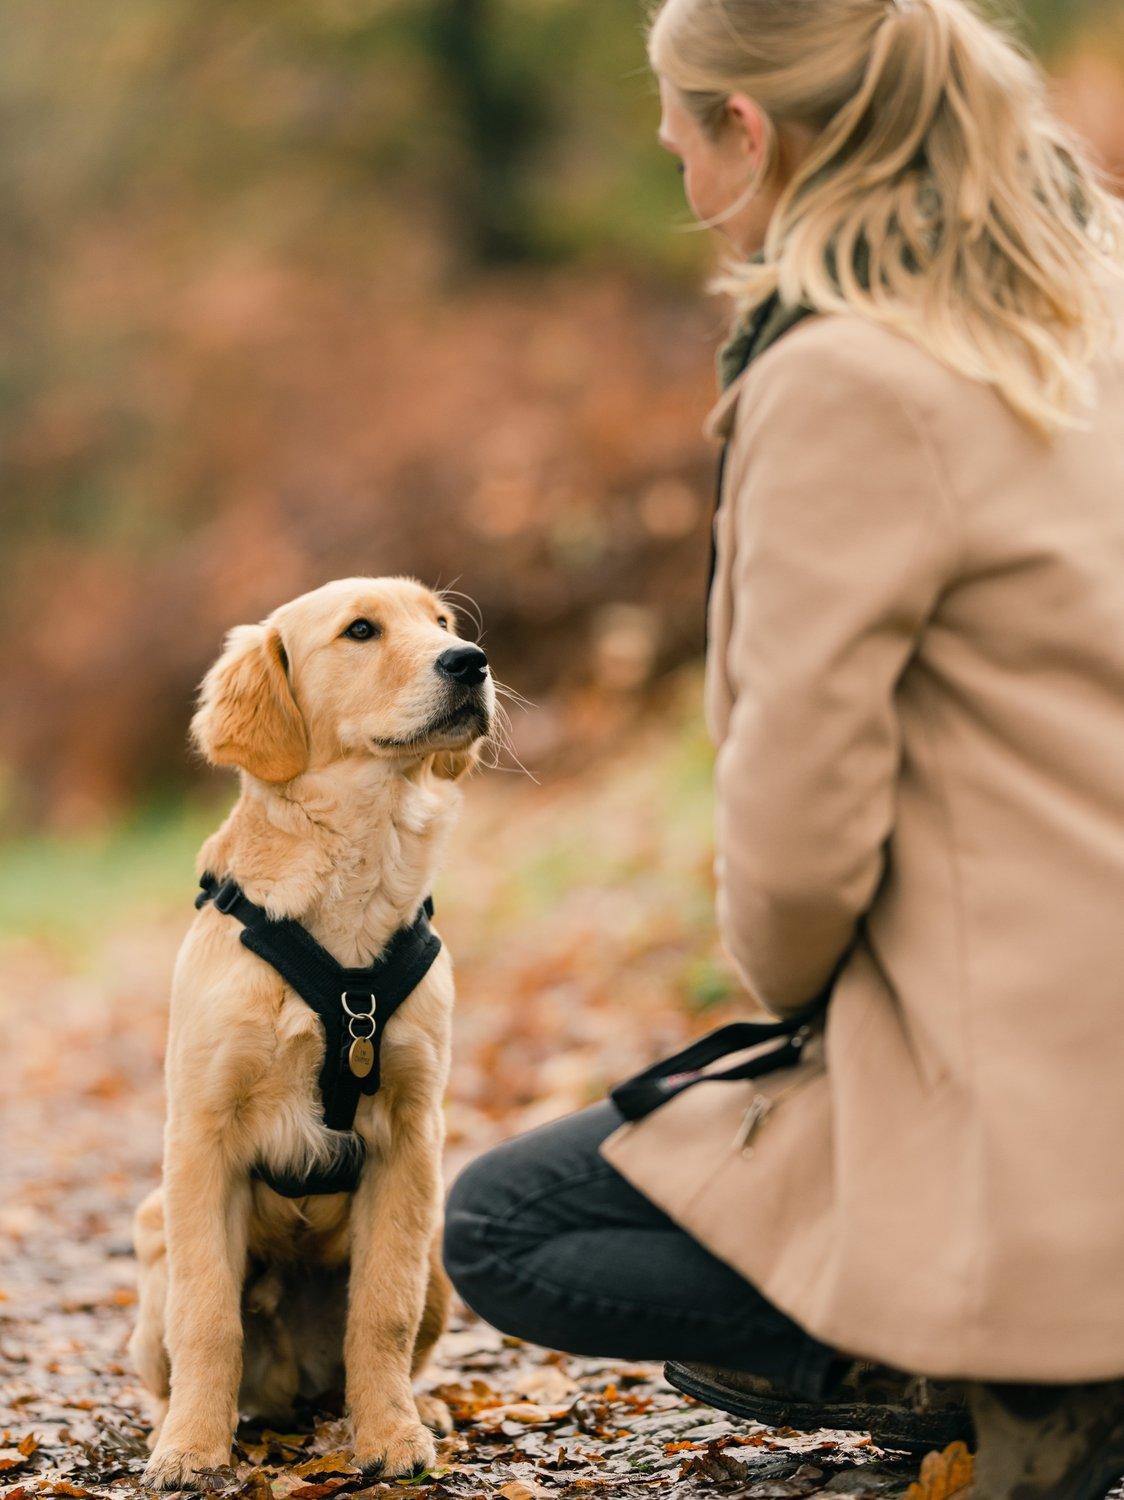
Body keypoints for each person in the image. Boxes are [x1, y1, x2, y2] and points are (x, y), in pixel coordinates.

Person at [443, 0, 1124, 1493]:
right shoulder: (1095, 299)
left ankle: (1007, 1361)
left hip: (1022, 1055)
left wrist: (805, 1006)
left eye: (680, 125)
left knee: (504, 1226)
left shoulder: (843, 374)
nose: (674, 157)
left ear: (750, 134)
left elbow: (803, 839)